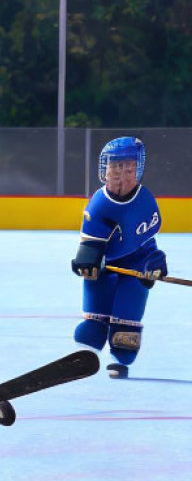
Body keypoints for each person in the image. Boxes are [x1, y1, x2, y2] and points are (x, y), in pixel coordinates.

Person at [71, 136, 166, 378]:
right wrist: (88, 259)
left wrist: (153, 264)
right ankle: (88, 350)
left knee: (126, 325)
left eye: (128, 167)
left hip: (136, 263)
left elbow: (147, 244)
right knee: (92, 326)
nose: (120, 174)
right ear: (105, 169)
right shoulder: (99, 204)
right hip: (106, 265)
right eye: (115, 166)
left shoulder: (145, 200)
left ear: (137, 170)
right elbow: (90, 244)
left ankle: (120, 358)